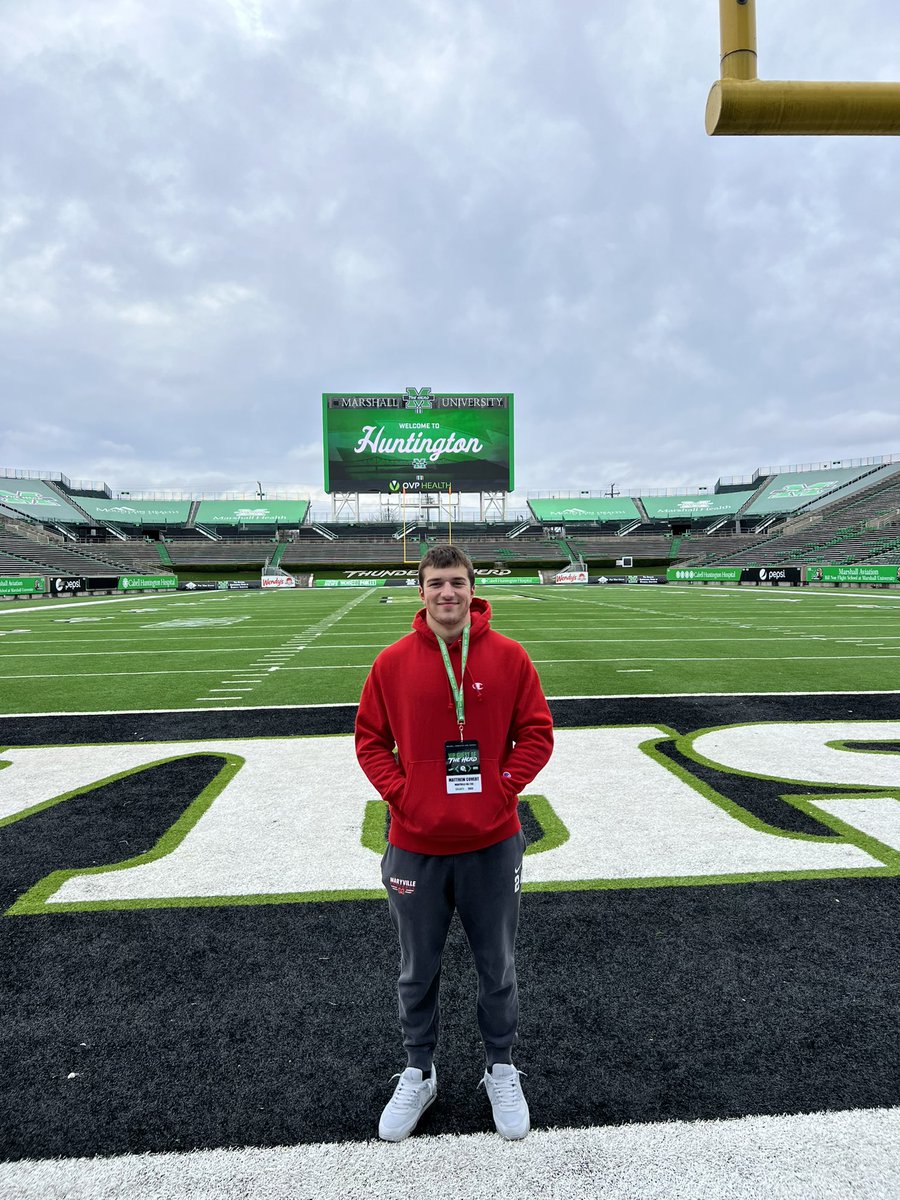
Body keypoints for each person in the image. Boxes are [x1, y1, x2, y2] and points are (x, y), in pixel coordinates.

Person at [355, 544, 554, 1142]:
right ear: (421, 591)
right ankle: (419, 1070)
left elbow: (537, 733)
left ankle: (501, 1067)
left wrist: (502, 787)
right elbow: (370, 741)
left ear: (473, 589)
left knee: (498, 965)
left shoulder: (510, 656)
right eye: (437, 582)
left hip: (492, 842)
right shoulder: (391, 662)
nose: (448, 593)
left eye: (457, 582)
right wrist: (403, 795)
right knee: (417, 969)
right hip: (416, 843)